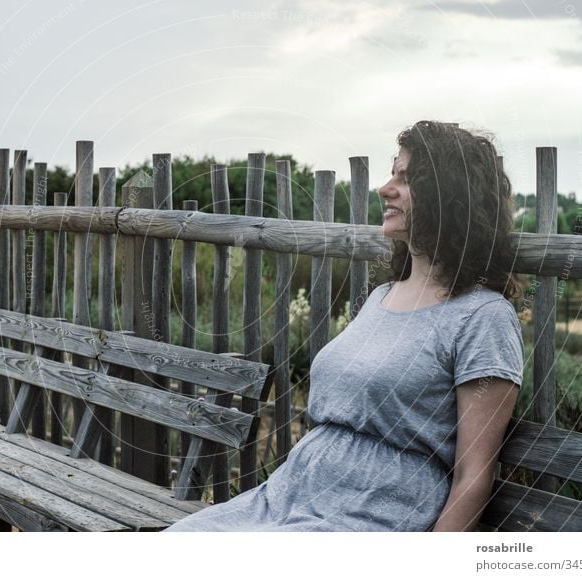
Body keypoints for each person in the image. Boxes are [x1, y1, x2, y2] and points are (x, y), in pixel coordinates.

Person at [164, 120, 524, 532]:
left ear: (449, 197)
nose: (385, 189)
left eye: (406, 180)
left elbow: (473, 475)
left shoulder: (483, 317)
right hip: (283, 498)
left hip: (363, 517)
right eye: (392, 174)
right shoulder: (381, 297)